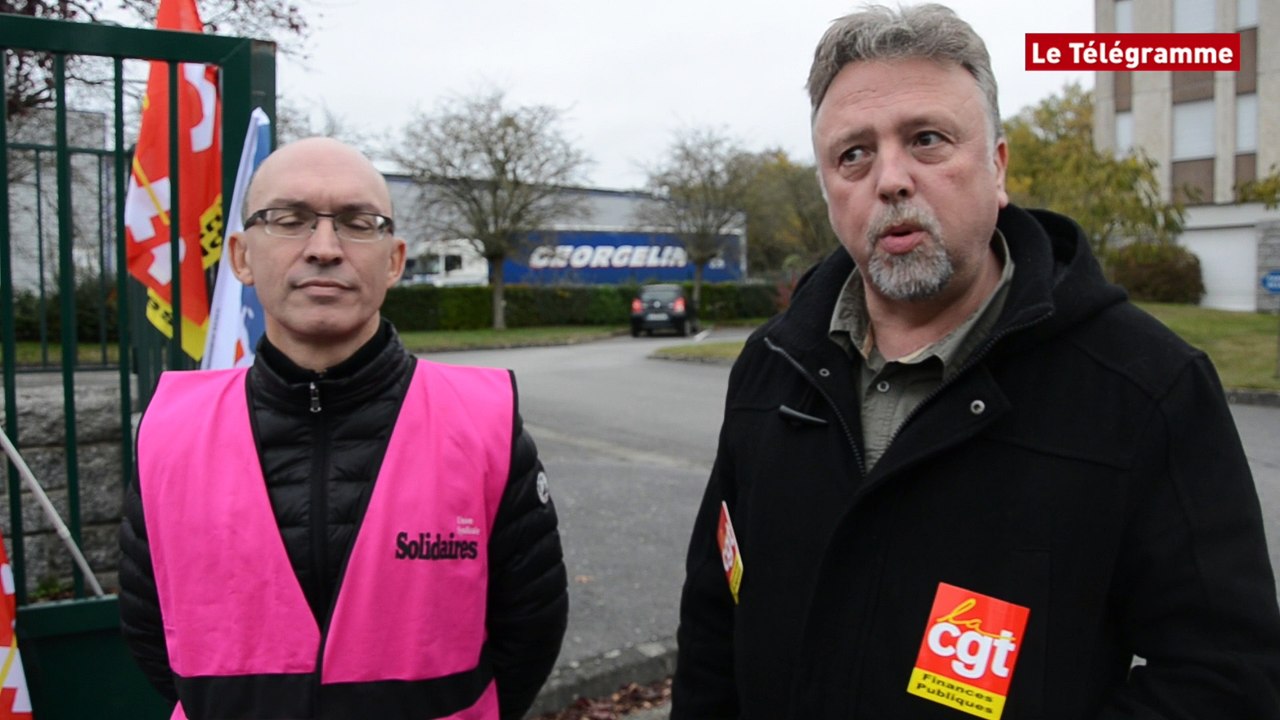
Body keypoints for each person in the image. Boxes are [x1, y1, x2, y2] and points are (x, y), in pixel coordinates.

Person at [671, 4, 1280, 718]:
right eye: (853, 154)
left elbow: (1225, 680)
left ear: (997, 167)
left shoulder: (1147, 390)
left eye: (926, 140)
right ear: (829, 189)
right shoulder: (769, 369)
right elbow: (716, 619)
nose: (890, 179)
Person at [119, 137, 568, 720]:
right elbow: (151, 630)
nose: (325, 248)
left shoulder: (482, 421)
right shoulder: (171, 431)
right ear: (242, 256)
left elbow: (529, 626)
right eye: (289, 219)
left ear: (395, 260)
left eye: (359, 223)